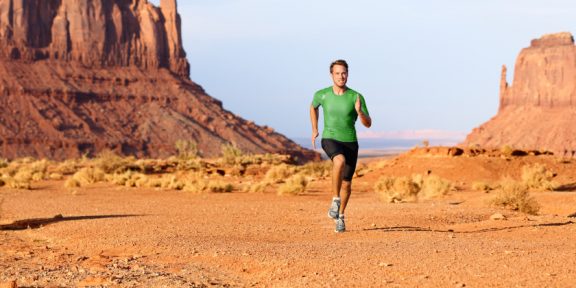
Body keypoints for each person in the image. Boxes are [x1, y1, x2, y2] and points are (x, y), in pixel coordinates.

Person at [310, 59, 372, 233]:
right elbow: (313, 107)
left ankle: (341, 216)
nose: (341, 76)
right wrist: (315, 128)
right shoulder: (321, 94)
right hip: (330, 137)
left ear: (348, 74)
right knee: (339, 161)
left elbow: (368, 123)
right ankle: (335, 200)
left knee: (347, 184)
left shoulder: (356, 96)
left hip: (350, 142)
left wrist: (359, 112)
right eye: (337, 73)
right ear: (331, 75)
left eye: (344, 73)